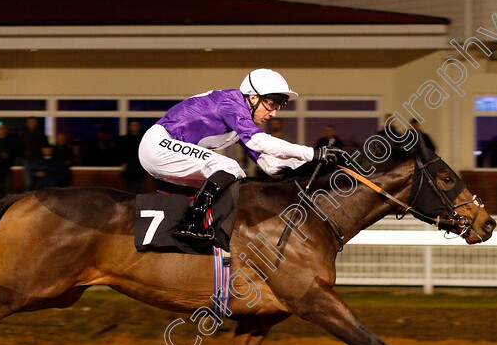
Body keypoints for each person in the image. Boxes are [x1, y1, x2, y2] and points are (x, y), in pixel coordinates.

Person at [138, 68, 336, 245]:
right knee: (228, 166)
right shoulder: (230, 102)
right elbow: (259, 142)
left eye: (278, 107)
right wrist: (311, 152)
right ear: (252, 97)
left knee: (235, 177)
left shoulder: (240, 122)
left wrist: (315, 165)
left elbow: (270, 165)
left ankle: (206, 225)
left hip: (165, 152)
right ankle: (191, 223)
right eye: (270, 105)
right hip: (157, 145)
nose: (274, 114)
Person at [20, 117, 49, 190]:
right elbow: (19, 147)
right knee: (28, 183)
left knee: (40, 183)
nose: (32, 124)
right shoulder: (23, 135)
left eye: (34, 122)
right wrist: (22, 157)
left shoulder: (41, 134)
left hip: (38, 160)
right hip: (27, 161)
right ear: (27, 123)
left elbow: (44, 146)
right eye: (31, 122)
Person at [118, 120, 146, 193]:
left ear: (139, 127)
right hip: (129, 165)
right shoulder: (124, 139)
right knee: (128, 188)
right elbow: (122, 152)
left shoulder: (143, 139)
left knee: (139, 188)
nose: (134, 127)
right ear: (130, 127)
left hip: (139, 165)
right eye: (132, 125)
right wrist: (123, 163)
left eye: (136, 125)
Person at [0, 124, 16, 198]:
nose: (1, 131)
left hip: (7, 166)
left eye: (3, 129)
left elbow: (14, 153)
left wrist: (8, 155)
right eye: (0, 129)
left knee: (8, 186)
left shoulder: (10, 141)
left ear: (6, 130)